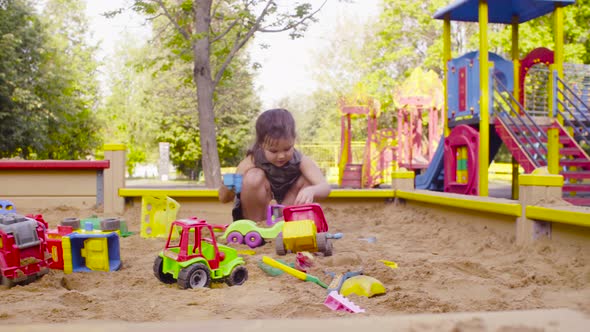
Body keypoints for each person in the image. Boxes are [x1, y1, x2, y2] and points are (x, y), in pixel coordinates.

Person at [218, 108, 331, 222]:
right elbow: (224, 198)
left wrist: (311, 190)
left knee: (308, 180)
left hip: (286, 206)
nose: (281, 156)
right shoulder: (252, 160)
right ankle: (256, 225)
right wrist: (227, 185)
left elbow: (325, 187)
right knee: (253, 176)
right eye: (274, 151)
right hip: (261, 209)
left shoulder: (301, 160)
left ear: (294, 139)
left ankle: (287, 221)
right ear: (261, 144)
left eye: (287, 149)